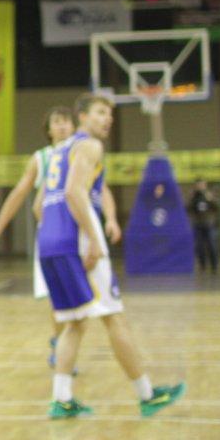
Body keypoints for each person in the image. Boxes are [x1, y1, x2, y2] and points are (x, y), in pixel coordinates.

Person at [38, 93, 185, 419]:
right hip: (77, 240)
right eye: (101, 112)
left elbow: (39, 205)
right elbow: (73, 191)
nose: (108, 119)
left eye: (110, 114)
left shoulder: (58, 151)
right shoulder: (89, 145)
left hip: (49, 241)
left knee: (75, 323)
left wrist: (56, 232)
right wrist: (92, 238)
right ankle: (147, 395)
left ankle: (61, 399)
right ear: (82, 117)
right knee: (114, 317)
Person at [0, 106, 121, 368]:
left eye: (66, 121)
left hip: (77, 232)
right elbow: (21, 195)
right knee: (66, 304)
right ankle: (62, 352)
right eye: (57, 122)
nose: (63, 126)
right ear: (48, 130)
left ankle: (64, 360)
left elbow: (103, 189)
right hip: (58, 235)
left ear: (74, 124)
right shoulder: (43, 158)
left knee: (83, 309)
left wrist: (111, 218)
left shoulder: (80, 149)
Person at [189, 179, 219, 273]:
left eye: (202, 185)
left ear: (205, 185)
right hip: (198, 224)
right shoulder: (194, 197)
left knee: (211, 245)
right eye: (198, 185)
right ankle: (203, 265)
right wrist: (191, 199)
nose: (200, 187)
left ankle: (214, 266)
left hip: (209, 223)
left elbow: (216, 208)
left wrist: (210, 199)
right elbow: (189, 209)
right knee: (199, 246)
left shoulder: (208, 195)